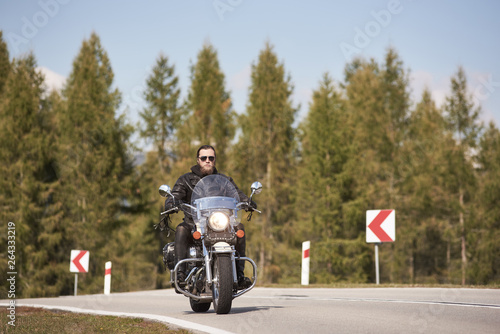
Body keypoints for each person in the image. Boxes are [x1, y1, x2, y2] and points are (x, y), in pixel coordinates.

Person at [164, 144, 256, 290]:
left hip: (219, 223)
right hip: (194, 222)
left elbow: (237, 194)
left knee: (239, 228)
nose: (207, 160)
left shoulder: (224, 180)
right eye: (204, 158)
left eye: (211, 158)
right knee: (181, 229)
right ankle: (180, 274)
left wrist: (247, 201)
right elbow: (176, 194)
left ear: (214, 160)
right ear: (198, 160)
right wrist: (171, 202)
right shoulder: (185, 180)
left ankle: (239, 275)